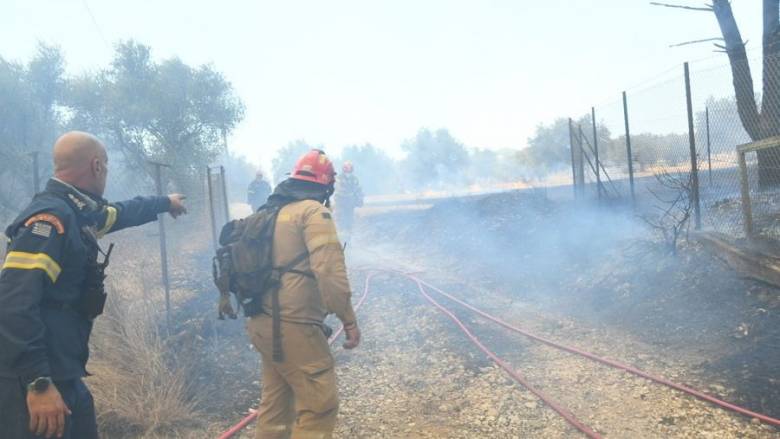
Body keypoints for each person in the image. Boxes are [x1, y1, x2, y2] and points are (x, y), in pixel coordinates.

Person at [0, 131, 187, 439]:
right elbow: (13, 304)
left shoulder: (78, 211)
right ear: (97, 165)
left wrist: (164, 202)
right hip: (33, 381)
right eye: (107, 166)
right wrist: (38, 383)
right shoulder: (49, 219)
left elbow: (120, 213)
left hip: (63, 371)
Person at [245, 149, 360, 439]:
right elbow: (329, 272)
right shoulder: (314, 213)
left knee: (276, 407)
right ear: (327, 184)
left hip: (261, 322)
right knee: (320, 405)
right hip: (294, 327)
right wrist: (348, 319)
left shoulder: (271, 212)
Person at [333, 161, 364, 239]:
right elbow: (339, 190)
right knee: (341, 223)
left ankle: (348, 242)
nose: (348, 170)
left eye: (350, 168)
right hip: (341, 205)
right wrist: (351, 194)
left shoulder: (354, 179)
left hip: (350, 205)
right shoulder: (339, 178)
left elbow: (358, 190)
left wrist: (359, 199)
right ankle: (340, 241)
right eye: (346, 168)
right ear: (343, 169)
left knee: (349, 223)